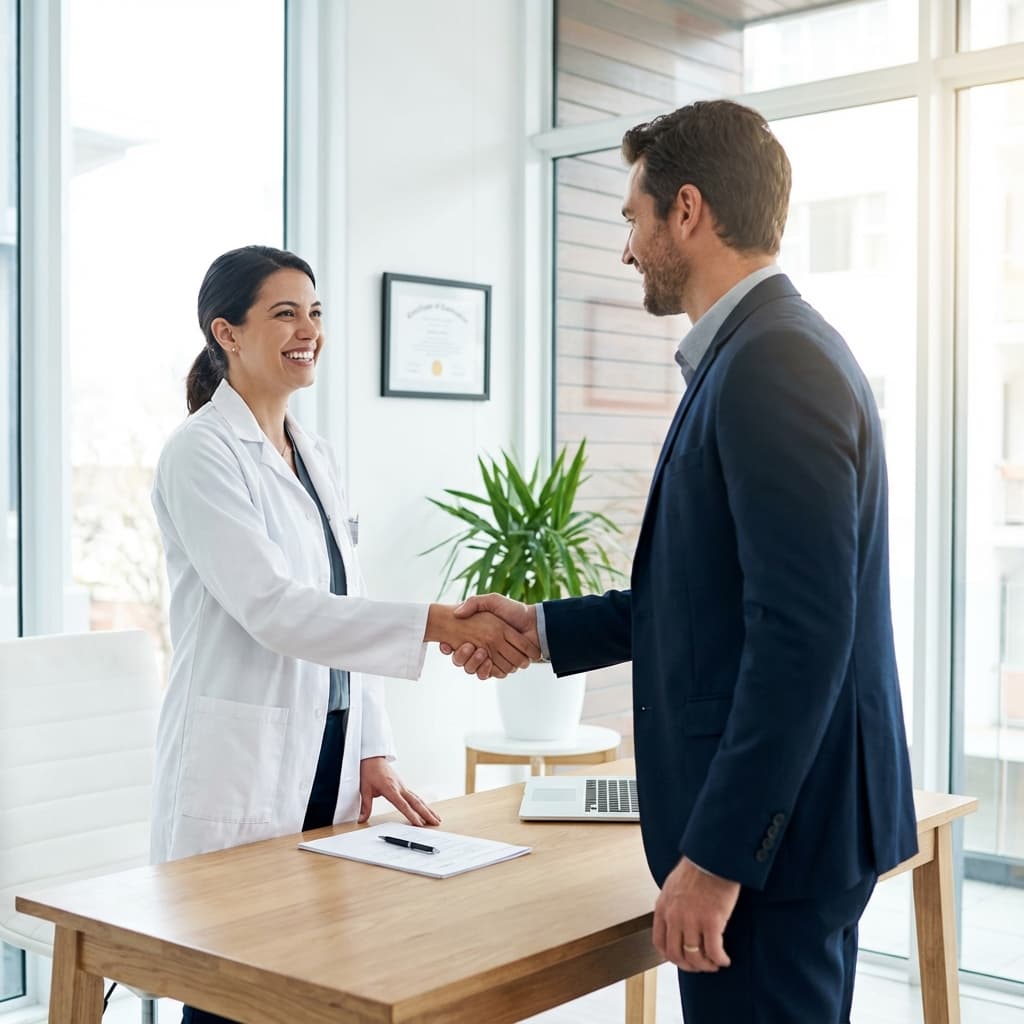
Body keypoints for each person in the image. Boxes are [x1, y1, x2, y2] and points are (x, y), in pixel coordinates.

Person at [448, 101, 917, 1023]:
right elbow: (710, 598)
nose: (627, 247)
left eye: (633, 216)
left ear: (688, 211)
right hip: (789, 837)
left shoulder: (776, 361)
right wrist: (543, 629)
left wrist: (718, 859)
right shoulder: (755, 354)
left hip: (776, 854)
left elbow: (801, 636)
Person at [151, 245, 539, 1024]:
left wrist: (371, 747)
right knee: (234, 992)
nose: (309, 330)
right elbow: (276, 608)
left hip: (326, 753)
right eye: (285, 313)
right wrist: (435, 623)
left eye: (317, 312)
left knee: (310, 983)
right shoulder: (200, 454)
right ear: (225, 333)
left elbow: (343, 603)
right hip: (243, 769)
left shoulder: (314, 453)